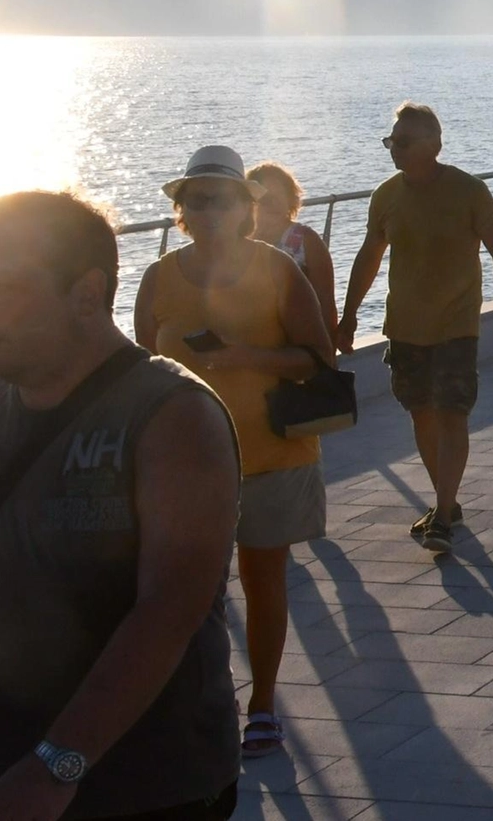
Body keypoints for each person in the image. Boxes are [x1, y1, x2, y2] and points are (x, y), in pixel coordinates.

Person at [0, 191, 242, 820]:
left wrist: (56, 765)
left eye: (1, 288)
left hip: (137, 788)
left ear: (87, 294)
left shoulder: (173, 417)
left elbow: (170, 607)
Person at [134, 145, 336, 760]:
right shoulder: (158, 278)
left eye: (220, 199)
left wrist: (246, 357)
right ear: (181, 212)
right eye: (195, 199)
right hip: (185, 465)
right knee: (190, 587)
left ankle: (265, 704)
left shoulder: (278, 269)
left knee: (262, 578)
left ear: (245, 210)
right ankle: (201, 698)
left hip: (270, 453)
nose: (207, 209)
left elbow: (320, 358)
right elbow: (142, 368)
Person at [338, 102, 493, 553]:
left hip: (457, 325)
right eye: (390, 142)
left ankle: (440, 515)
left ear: (434, 144)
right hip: (404, 326)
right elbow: (369, 255)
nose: (393, 149)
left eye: (402, 142)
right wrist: (348, 314)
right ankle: (447, 503)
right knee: (421, 413)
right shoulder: (386, 196)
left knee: (453, 413)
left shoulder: (470, 191)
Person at [247, 162, 337, 331]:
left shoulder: (307, 241)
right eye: (265, 199)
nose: (271, 204)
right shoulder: (239, 242)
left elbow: (326, 302)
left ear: (290, 199)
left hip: (299, 336)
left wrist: (327, 351)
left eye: (278, 197)